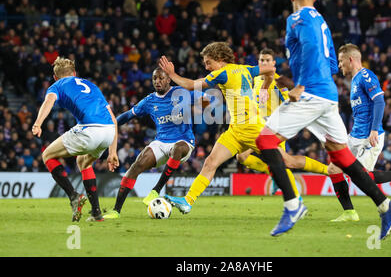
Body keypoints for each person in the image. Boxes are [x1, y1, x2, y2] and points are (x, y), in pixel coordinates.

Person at [254, 0, 391, 239]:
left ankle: (292, 204)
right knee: (341, 157)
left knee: (265, 142)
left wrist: (301, 84)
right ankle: (385, 205)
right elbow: (332, 62)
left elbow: (311, 48)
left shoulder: (296, 19)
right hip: (328, 95)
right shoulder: (322, 21)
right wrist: (317, 79)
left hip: (311, 93)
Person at [280, 43, 391, 222]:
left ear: (351, 60)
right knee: (334, 168)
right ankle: (349, 212)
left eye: (342, 61)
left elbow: (380, 101)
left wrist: (374, 129)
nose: (340, 65)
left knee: (364, 177)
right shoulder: (355, 80)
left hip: (368, 137)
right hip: (356, 135)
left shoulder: (365, 76)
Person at [159, 42, 277, 215]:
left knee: (283, 162)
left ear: (220, 60)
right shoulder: (244, 68)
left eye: (208, 62)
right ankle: (187, 201)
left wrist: (171, 74)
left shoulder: (222, 73)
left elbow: (191, 85)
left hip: (251, 127)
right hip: (237, 129)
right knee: (211, 162)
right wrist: (265, 88)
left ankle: (297, 199)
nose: (207, 67)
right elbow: (270, 70)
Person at [103, 67, 207, 219]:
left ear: (168, 79)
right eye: (155, 79)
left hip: (184, 141)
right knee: (137, 165)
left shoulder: (181, 93)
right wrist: (112, 123)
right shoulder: (149, 100)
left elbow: (207, 99)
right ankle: (116, 211)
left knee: (177, 148)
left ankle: (156, 190)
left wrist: (199, 104)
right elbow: (128, 115)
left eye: (161, 78)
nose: (158, 81)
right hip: (161, 142)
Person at [32, 57, 119, 222]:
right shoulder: (92, 86)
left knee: (47, 155)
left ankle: (73, 196)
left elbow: (48, 101)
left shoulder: (57, 85)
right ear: (74, 73)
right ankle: (96, 212)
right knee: (83, 162)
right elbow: (114, 119)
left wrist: (38, 123)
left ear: (55, 77)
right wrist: (112, 152)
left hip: (90, 130)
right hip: (108, 132)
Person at [235, 48, 328, 198]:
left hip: (273, 129)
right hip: (256, 127)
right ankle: (273, 174)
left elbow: (292, 100)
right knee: (241, 157)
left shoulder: (278, 82)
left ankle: (319, 177)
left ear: (273, 63)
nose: (264, 63)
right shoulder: (256, 80)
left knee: (285, 164)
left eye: (267, 60)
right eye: (261, 60)